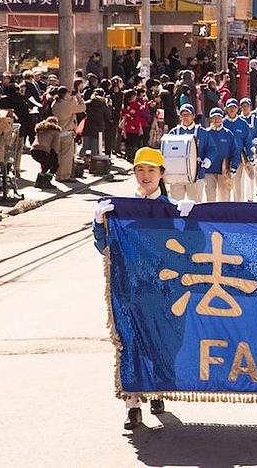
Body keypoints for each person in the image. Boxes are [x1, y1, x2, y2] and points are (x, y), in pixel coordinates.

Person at [92, 147, 193, 429]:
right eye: (140, 170)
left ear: (162, 174)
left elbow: (195, 250)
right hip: (130, 288)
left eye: (152, 170)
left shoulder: (173, 209)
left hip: (165, 292)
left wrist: (190, 222)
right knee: (130, 343)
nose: (146, 176)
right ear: (134, 173)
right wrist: (100, 223)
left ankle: (158, 389)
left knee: (165, 342)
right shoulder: (121, 211)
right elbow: (104, 247)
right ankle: (132, 404)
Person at [166, 104, 207, 202]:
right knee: (175, 203)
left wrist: (208, 159)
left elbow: (212, 149)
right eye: (183, 115)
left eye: (188, 114)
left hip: (196, 175)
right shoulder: (173, 132)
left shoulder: (202, 132)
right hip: (177, 176)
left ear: (193, 116)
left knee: (195, 204)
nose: (185, 117)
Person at [201, 107, 241, 202]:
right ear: (210, 119)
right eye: (214, 117)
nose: (216, 120)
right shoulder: (205, 133)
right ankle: (210, 217)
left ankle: (224, 216)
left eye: (218, 117)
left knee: (224, 198)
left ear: (222, 118)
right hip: (209, 171)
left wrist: (234, 167)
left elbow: (235, 152)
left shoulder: (228, 134)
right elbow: (200, 151)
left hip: (224, 171)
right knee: (210, 198)